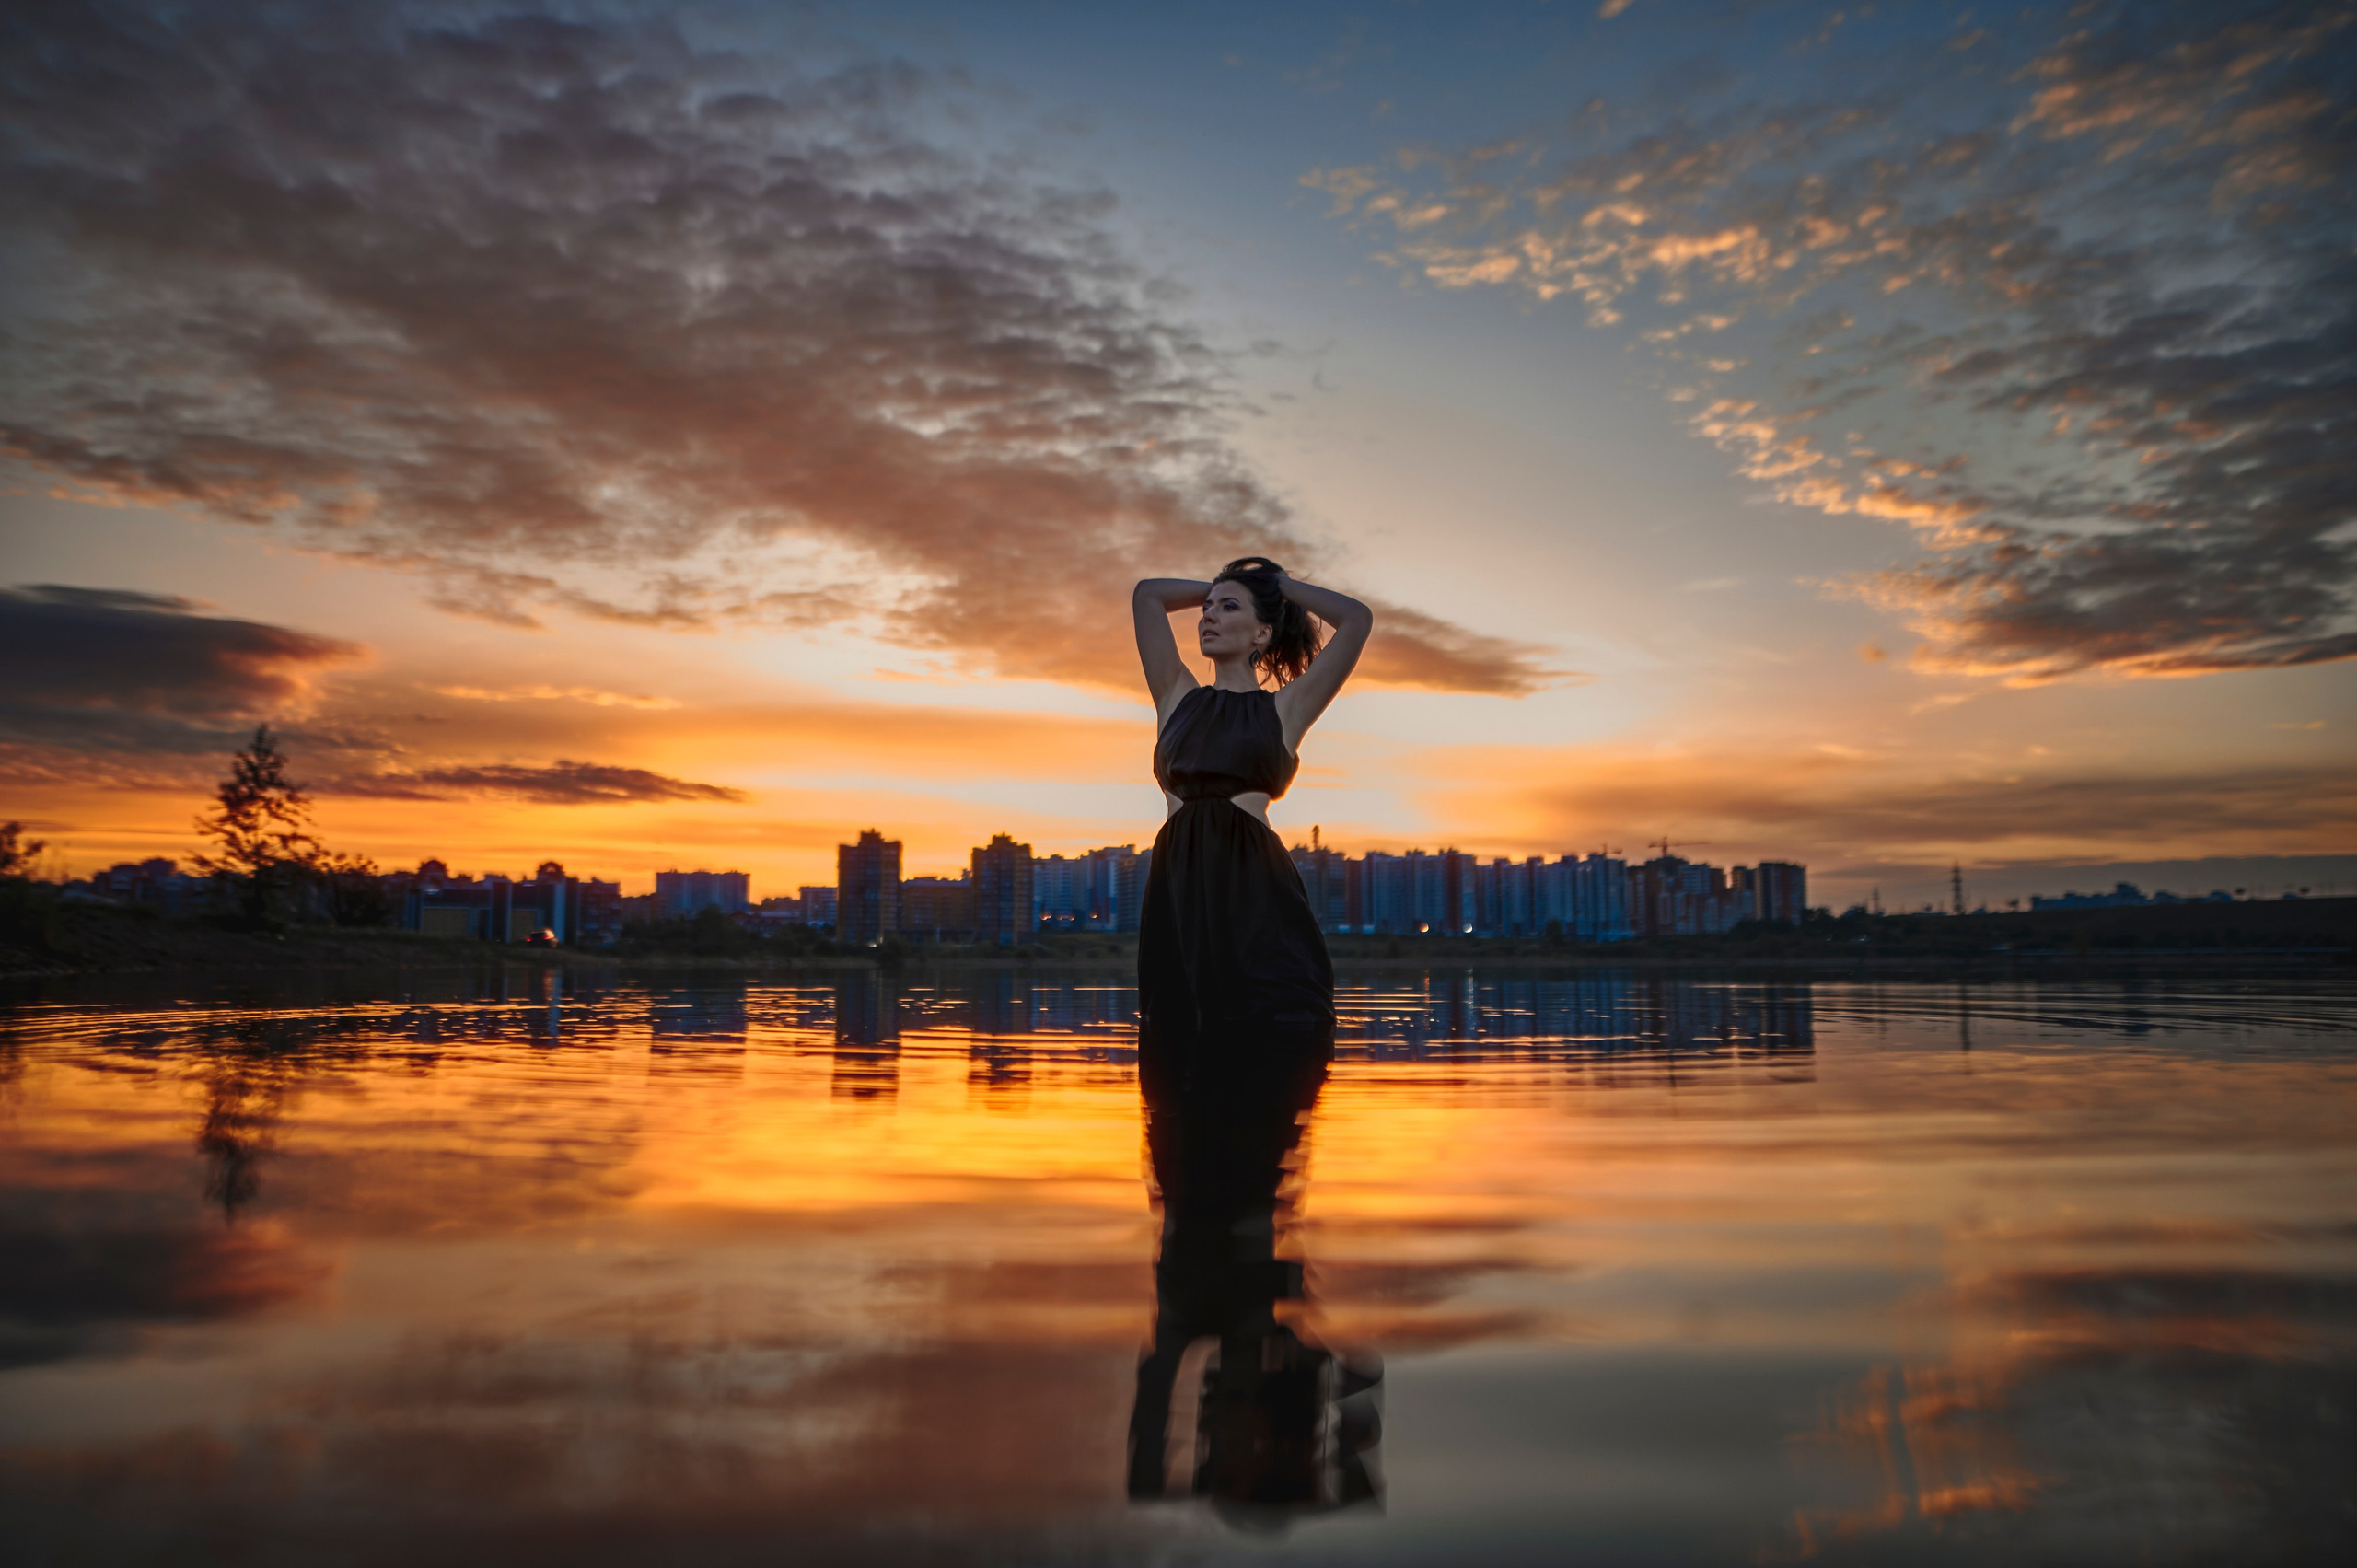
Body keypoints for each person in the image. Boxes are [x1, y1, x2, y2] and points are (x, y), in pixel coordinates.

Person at [1128, 558, 1373, 1049]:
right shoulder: (1176, 697)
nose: (1208, 616)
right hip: (1179, 889)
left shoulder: (1285, 709)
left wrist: (1274, 586)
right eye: (1206, 608)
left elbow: (1356, 619)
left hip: (1255, 890)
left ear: (1262, 633)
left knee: (1279, 1026)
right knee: (1178, 1036)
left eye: (1228, 607)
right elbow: (1147, 595)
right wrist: (1223, 587)